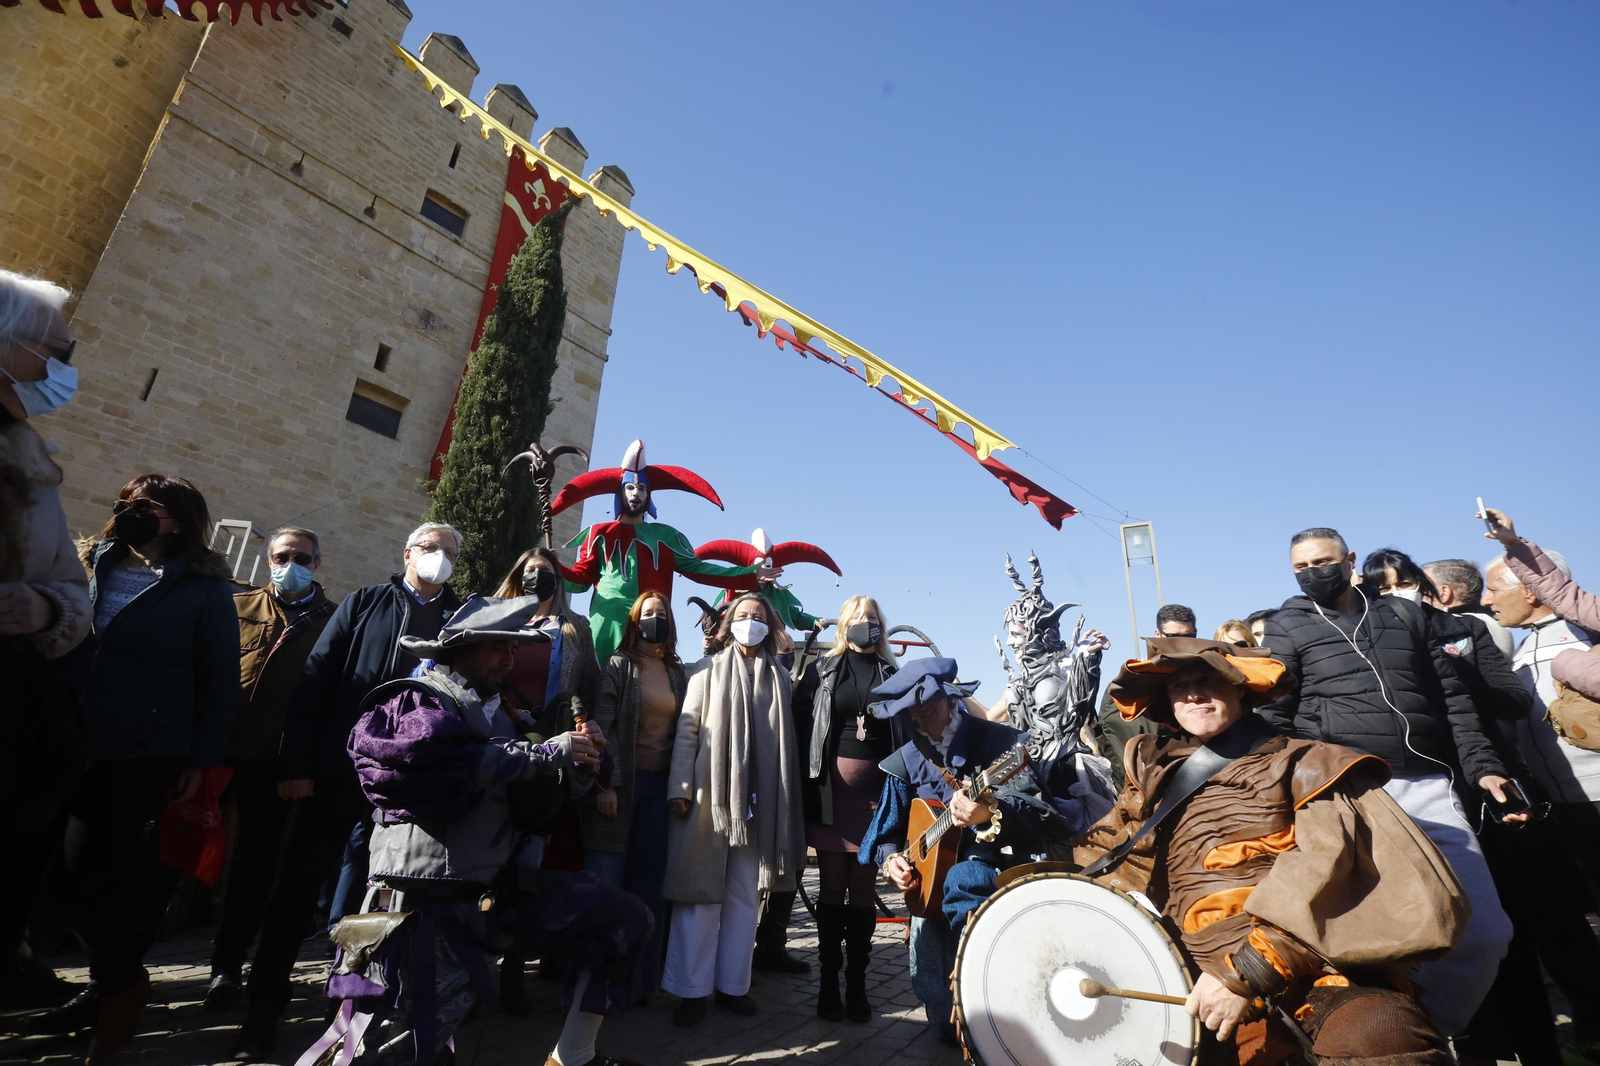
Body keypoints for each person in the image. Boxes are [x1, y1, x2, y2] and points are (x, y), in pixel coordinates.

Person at [1074, 637, 1462, 1066]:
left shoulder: (1308, 764)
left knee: (1379, 1035)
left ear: (1239, 686)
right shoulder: (1152, 776)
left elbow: (1333, 877)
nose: (1194, 695)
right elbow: (1103, 862)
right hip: (1184, 976)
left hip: (1307, 973)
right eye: (1179, 686)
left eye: (1207, 680)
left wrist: (1244, 975)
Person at [324, 594, 649, 1066]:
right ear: (460, 646)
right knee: (391, 1052)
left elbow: (533, 808)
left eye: (515, 650)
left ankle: (573, 1058)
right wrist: (550, 753)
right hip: (416, 904)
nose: (509, 659)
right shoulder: (417, 699)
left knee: (622, 916)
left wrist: (582, 765)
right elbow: (441, 758)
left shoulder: (509, 714)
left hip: (491, 894)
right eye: (499, 646)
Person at [1259, 526, 1513, 1035]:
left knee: (1486, 932)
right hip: (1352, 793)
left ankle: (1436, 1032)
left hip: (1427, 784)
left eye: (1322, 562)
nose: (1312, 573)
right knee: (1382, 931)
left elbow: (1454, 703)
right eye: (1300, 567)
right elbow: (1275, 715)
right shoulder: (1289, 625)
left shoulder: (1405, 615)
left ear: (1349, 559)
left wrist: (1484, 767)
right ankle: (1395, 1037)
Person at [230, 522, 463, 1061]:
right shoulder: (365, 604)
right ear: (407, 552)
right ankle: (263, 1009)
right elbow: (316, 680)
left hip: (408, 787)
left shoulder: (459, 618)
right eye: (431, 548)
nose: (440, 559)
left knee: (386, 899)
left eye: (450, 552)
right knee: (297, 888)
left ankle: (357, 1008)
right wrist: (297, 762)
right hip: (339, 772)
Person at [36, 474, 240, 1063]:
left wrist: (201, 760)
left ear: (181, 520)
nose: (134, 512)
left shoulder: (203, 591)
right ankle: (100, 985)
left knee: (88, 874)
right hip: (60, 739)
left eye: (149, 506)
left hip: (140, 752)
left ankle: (121, 987)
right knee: (43, 874)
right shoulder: (86, 564)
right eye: (127, 502)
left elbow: (219, 681)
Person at [860, 657, 1045, 1043]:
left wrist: (988, 812)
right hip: (927, 883)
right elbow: (889, 831)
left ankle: (985, 990)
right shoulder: (907, 759)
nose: (923, 713)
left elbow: (1038, 812)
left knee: (967, 877)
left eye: (929, 703)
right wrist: (892, 859)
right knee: (939, 1011)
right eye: (914, 707)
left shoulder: (998, 742)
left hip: (995, 868)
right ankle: (950, 1018)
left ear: (950, 697)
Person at [0, 269, 92, 1009]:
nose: (64, 365)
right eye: (55, 349)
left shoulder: (29, 454)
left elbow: (70, 585)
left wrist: (44, 608)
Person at [203, 528, 338, 1012]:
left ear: (317, 564)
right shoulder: (235, 606)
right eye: (283, 556)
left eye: (302, 557)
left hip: (275, 764)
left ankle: (228, 965)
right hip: (216, 755)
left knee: (255, 867)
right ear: (268, 559)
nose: (291, 564)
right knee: (180, 851)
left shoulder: (332, 621)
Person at [661, 593, 805, 1028]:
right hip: (709, 800)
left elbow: (784, 747)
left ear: (770, 625)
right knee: (700, 894)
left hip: (760, 804)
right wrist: (680, 786)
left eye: (758, 617)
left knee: (745, 895)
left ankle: (732, 985)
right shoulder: (705, 670)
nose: (750, 623)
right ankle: (691, 989)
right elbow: (687, 729)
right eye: (743, 616)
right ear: (729, 624)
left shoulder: (779, 678)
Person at [551, 439, 775, 662]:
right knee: (599, 688)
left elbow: (700, 569)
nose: (635, 493)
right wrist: (553, 569)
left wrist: (749, 574)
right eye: (630, 487)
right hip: (607, 625)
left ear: (648, 495)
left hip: (653, 625)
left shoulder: (666, 537)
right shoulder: (599, 533)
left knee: (649, 688)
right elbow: (580, 581)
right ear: (620, 492)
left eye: (642, 488)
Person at [1480, 509, 1600, 887]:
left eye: (1494, 589)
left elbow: (1568, 595)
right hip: (1564, 804)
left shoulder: (1586, 632)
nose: (1485, 600)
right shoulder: (1521, 647)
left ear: (1530, 590)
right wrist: (1513, 543)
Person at [793, 595, 898, 1021]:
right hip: (831, 796)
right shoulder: (822, 670)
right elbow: (801, 726)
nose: (863, 624)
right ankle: (827, 985)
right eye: (856, 618)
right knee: (833, 886)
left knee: (863, 890)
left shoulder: (893, 672)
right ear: (843, 626)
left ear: (881, 625)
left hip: (878, 797)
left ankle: (857, 984)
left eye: (870, 618)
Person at [583, 591, 687, 995]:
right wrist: (607, 782)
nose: (654, 619)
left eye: (661, 613)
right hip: (620, 786)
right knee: (608, 885)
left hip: (661, 789)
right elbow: (602, 725)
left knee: (650, 885)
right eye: (647, 613)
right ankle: (598, 982)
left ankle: (641, 982)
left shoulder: (677, 672)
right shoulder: (618, 665)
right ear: (634, 620)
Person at [1092, 603, 1197, 791]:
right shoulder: (1134, 684)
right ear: (1158, 634)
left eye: (1188, 637)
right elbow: (1125, 759)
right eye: (1173, 637)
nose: (1181, 643)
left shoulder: (1209, 680)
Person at [1423, 558, 1514, 659]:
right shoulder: (1496, 624)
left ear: (1443, 592)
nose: (1416, 594)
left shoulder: (1460, 626)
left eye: (1423, 588)